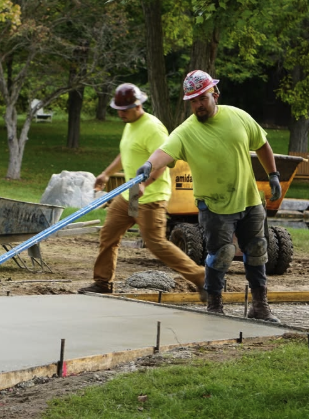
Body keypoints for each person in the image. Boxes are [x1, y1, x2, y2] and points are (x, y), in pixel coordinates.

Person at [136, 70, 282, 322]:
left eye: (202, 98)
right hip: (214, 206)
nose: (198, 105)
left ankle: (260, 306)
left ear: (215, 94)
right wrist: (149, 164)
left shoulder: (238, 116)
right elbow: (164, 151)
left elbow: (262, 144)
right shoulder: (186, 131)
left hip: (249, 199)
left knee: (257, 250)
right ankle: (214, 307)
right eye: (192, 101)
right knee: (222, 252)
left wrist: (273, 175)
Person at [78, 83, 206, 298]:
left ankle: (200, 276)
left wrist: (145, 184)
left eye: (124, 110)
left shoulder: (153, 128)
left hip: (151, 196)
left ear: (138, 105)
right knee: (108, 235)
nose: (120, 114)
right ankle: (102, 282)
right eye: (118, 110)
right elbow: (126, 153)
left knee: (156, 244)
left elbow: (164, 160)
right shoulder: (130, 123)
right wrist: (106, 174)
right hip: (130, 195)